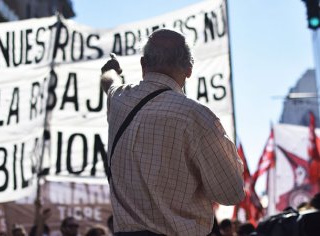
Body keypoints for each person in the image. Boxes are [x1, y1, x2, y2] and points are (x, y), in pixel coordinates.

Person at [100, 29, 245, 235]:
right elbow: (231, 193)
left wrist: (112, 70)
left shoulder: (119, 99)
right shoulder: (198, 117)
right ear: (189, 68)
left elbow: (108, 81)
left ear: (143, 65)